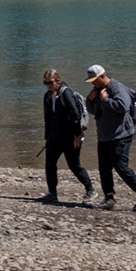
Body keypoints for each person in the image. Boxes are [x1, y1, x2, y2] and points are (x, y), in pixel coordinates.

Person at [84, 64, 136, 211]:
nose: (93, 83)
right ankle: (109, 198)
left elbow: (123, 106)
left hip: (121, 135)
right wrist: (89, 100)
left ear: (102, 76)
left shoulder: (116, 87)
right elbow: (93, 111)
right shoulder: (97, 90)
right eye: (91, 81)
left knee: (121, 167)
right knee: (104, 168)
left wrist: (106, 99)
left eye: (95, 80)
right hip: (104, 136)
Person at [40, 69, 94, 204]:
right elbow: (47, 118)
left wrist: (78, 136)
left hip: (70, 136)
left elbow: (75, 116)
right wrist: (47, 136)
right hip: (54, 137)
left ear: (57, 81)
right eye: (45, 83)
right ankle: (52, 193)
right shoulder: (47, 96)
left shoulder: (67, 94)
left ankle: (90, 189)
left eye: (50, 82)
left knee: (74, 165)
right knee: (49, 164)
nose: (48, 85)